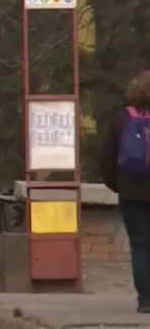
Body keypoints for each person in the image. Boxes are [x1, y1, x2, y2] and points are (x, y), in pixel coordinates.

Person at [102, 70, 150, 313]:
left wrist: (119, 186)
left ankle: (145, 301)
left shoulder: (121, 118)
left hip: (132, 193)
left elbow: (107, 159)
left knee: (140, 245)